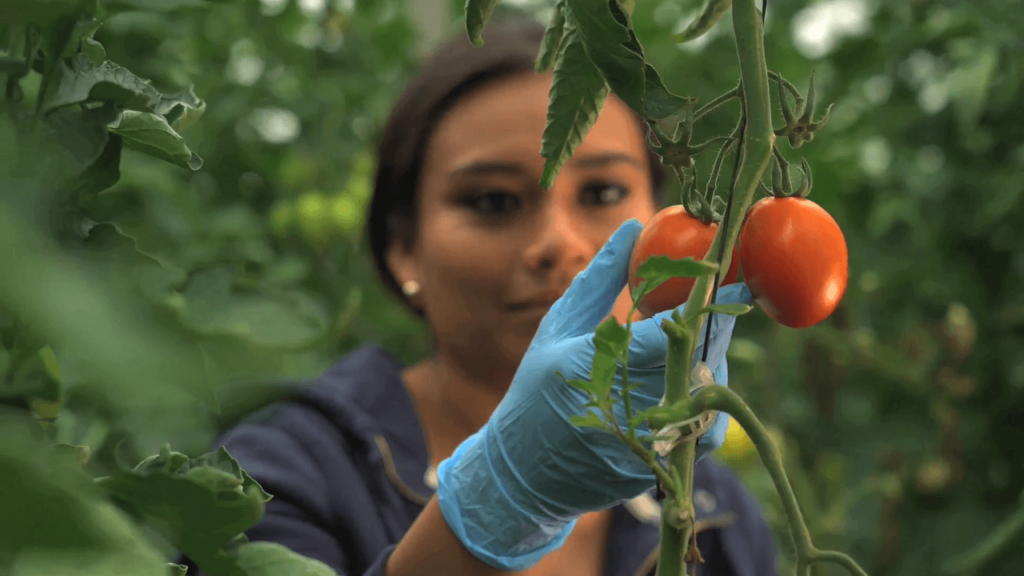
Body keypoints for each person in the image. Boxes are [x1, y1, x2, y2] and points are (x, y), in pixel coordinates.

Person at [182, 17, 777, 576]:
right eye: (492, 201)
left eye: (601, 192)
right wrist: (504, 502)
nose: (557, 243)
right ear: (404, 249)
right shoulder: (274, 476)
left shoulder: (714, 508)